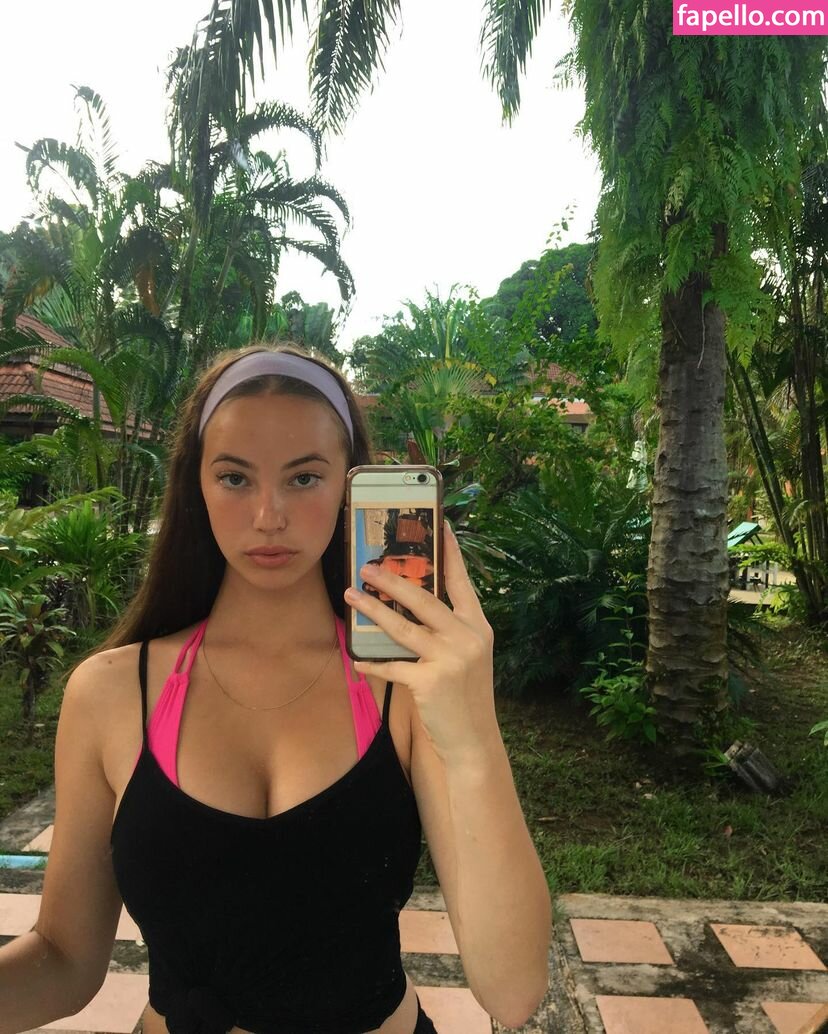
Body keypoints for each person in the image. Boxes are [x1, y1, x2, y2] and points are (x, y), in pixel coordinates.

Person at [0, 343, 552, 1034]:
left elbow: (512, 991)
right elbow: (62, 960)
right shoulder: (112, 692)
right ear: (197, 487)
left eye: (304, 478)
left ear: (349, 488)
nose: (269, 515)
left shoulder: (404, 688)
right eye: (235, 478)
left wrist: (472, 736)